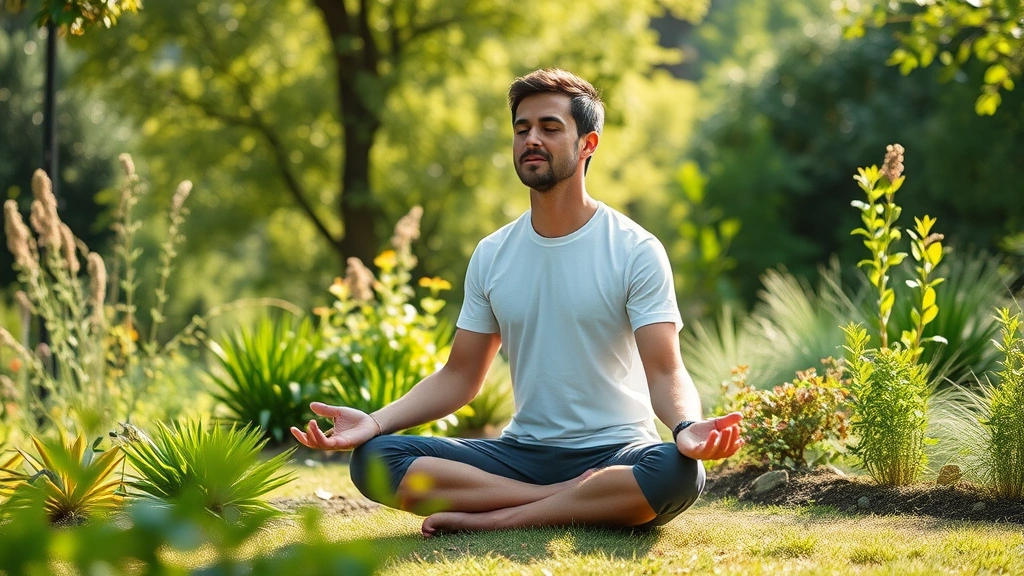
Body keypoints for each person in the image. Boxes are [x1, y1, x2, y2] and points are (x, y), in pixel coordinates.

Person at [291, 68, 743, 538]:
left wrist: (686, 425)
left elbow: (665, 369)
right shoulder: (493, 253)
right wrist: (374, 422)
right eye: (522, 128)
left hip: (616, 452)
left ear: (587, 144)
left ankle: (501, 517)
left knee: (677, 471)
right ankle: (571, 499)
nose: (532, 139)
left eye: (550, 128)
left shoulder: (634, 248)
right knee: (376, 460)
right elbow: (461, 375)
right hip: (520, 456)